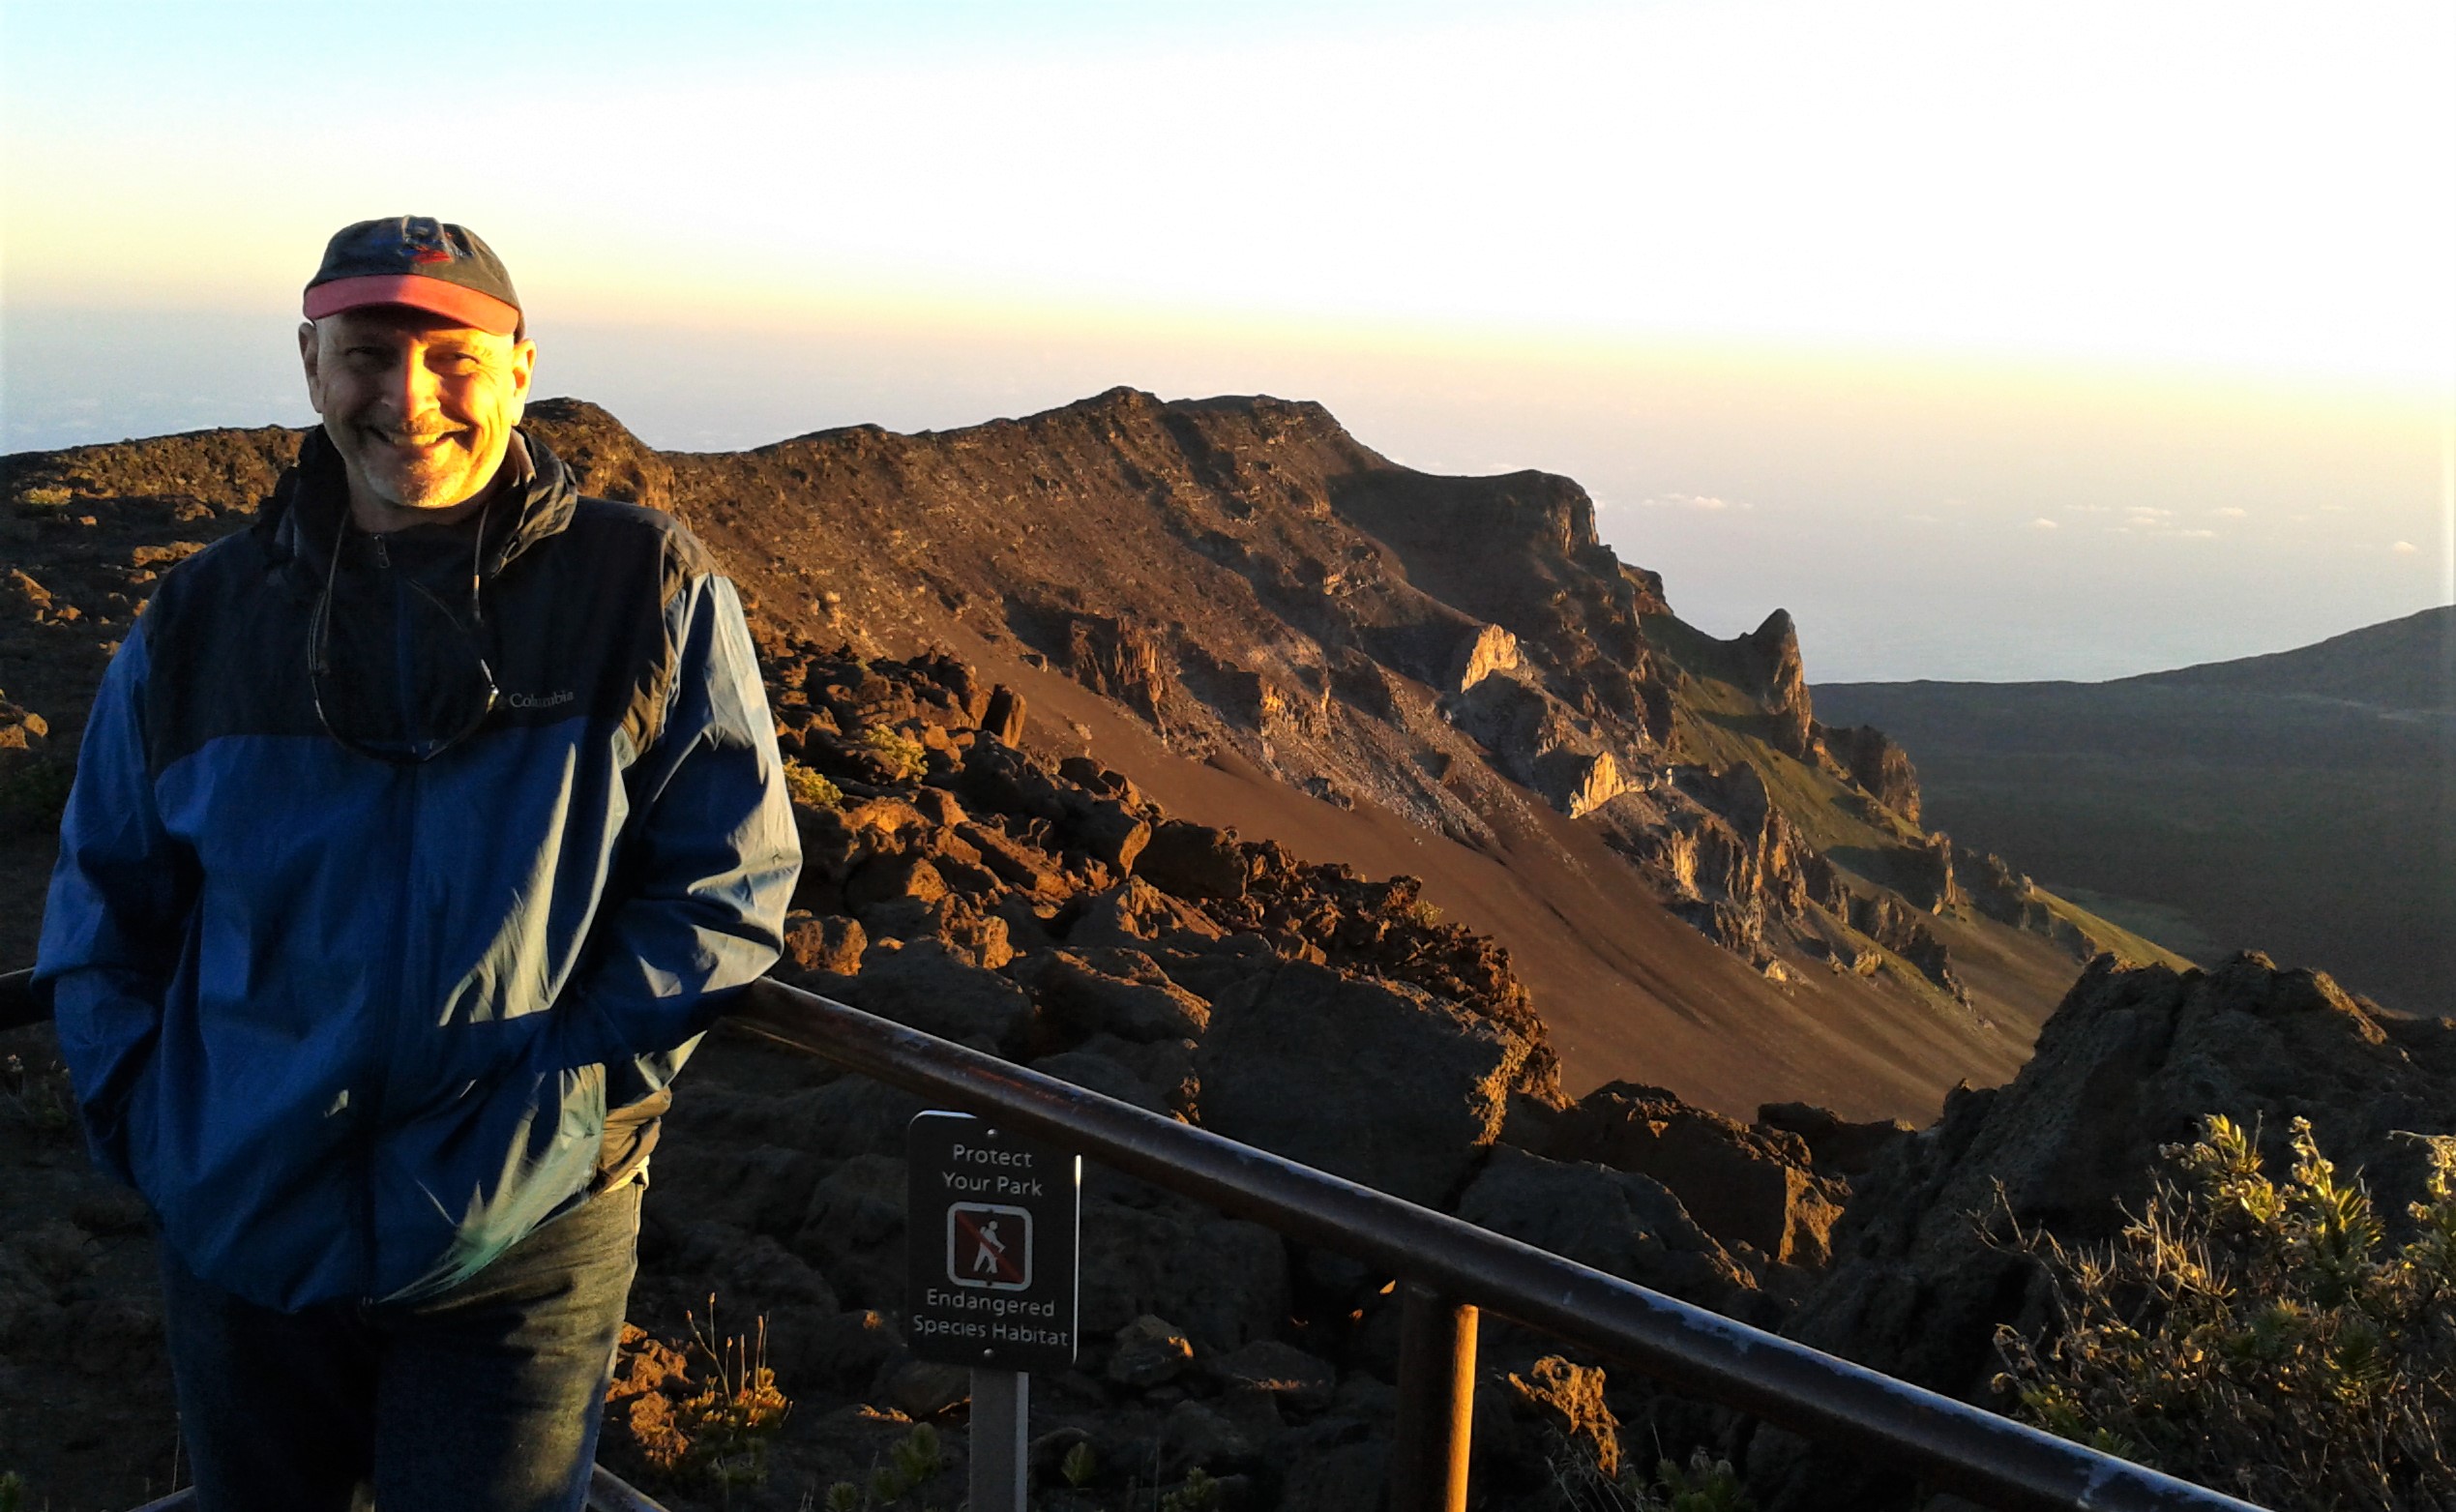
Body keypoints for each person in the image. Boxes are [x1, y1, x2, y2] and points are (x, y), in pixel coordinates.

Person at [34, 216, 801, 1511]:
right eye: (366, 353)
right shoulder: (203, 617)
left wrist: (563, 1120)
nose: (408, 397)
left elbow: (725, 887)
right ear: (309, 363)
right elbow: (105, 903)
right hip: (242, 1227)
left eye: (454, 356)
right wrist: (158, 1132)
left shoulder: (639, 587)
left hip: (518, 1251)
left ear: (519, 368)